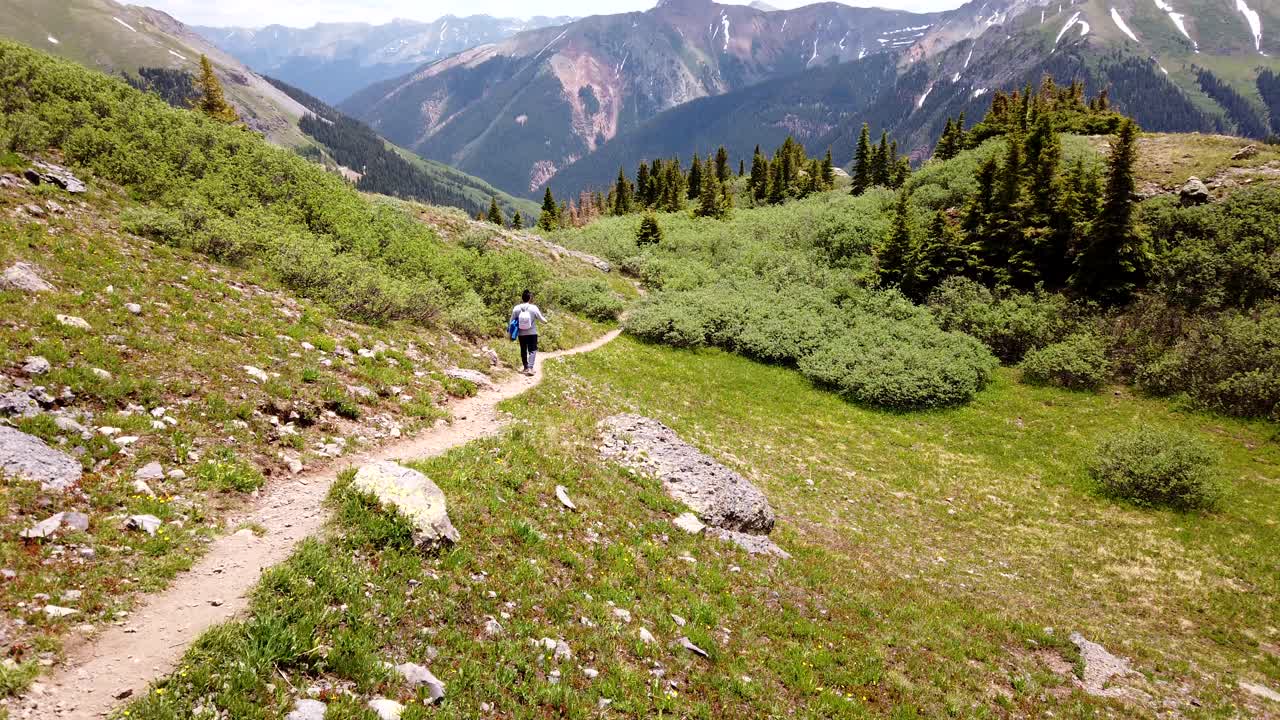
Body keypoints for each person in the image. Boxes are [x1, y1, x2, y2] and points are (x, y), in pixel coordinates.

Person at [511, 289, 548, 375]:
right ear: (530, 298)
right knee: (532, 350)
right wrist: (546, 321)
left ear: (522, 298)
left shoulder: (516, 308)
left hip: (521, 333)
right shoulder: (534, 308)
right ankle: (531, 368)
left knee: (523, 349)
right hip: (532, 333)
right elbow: (541, 319)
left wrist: (510, 332)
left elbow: (511, 321)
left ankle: (525, 367)